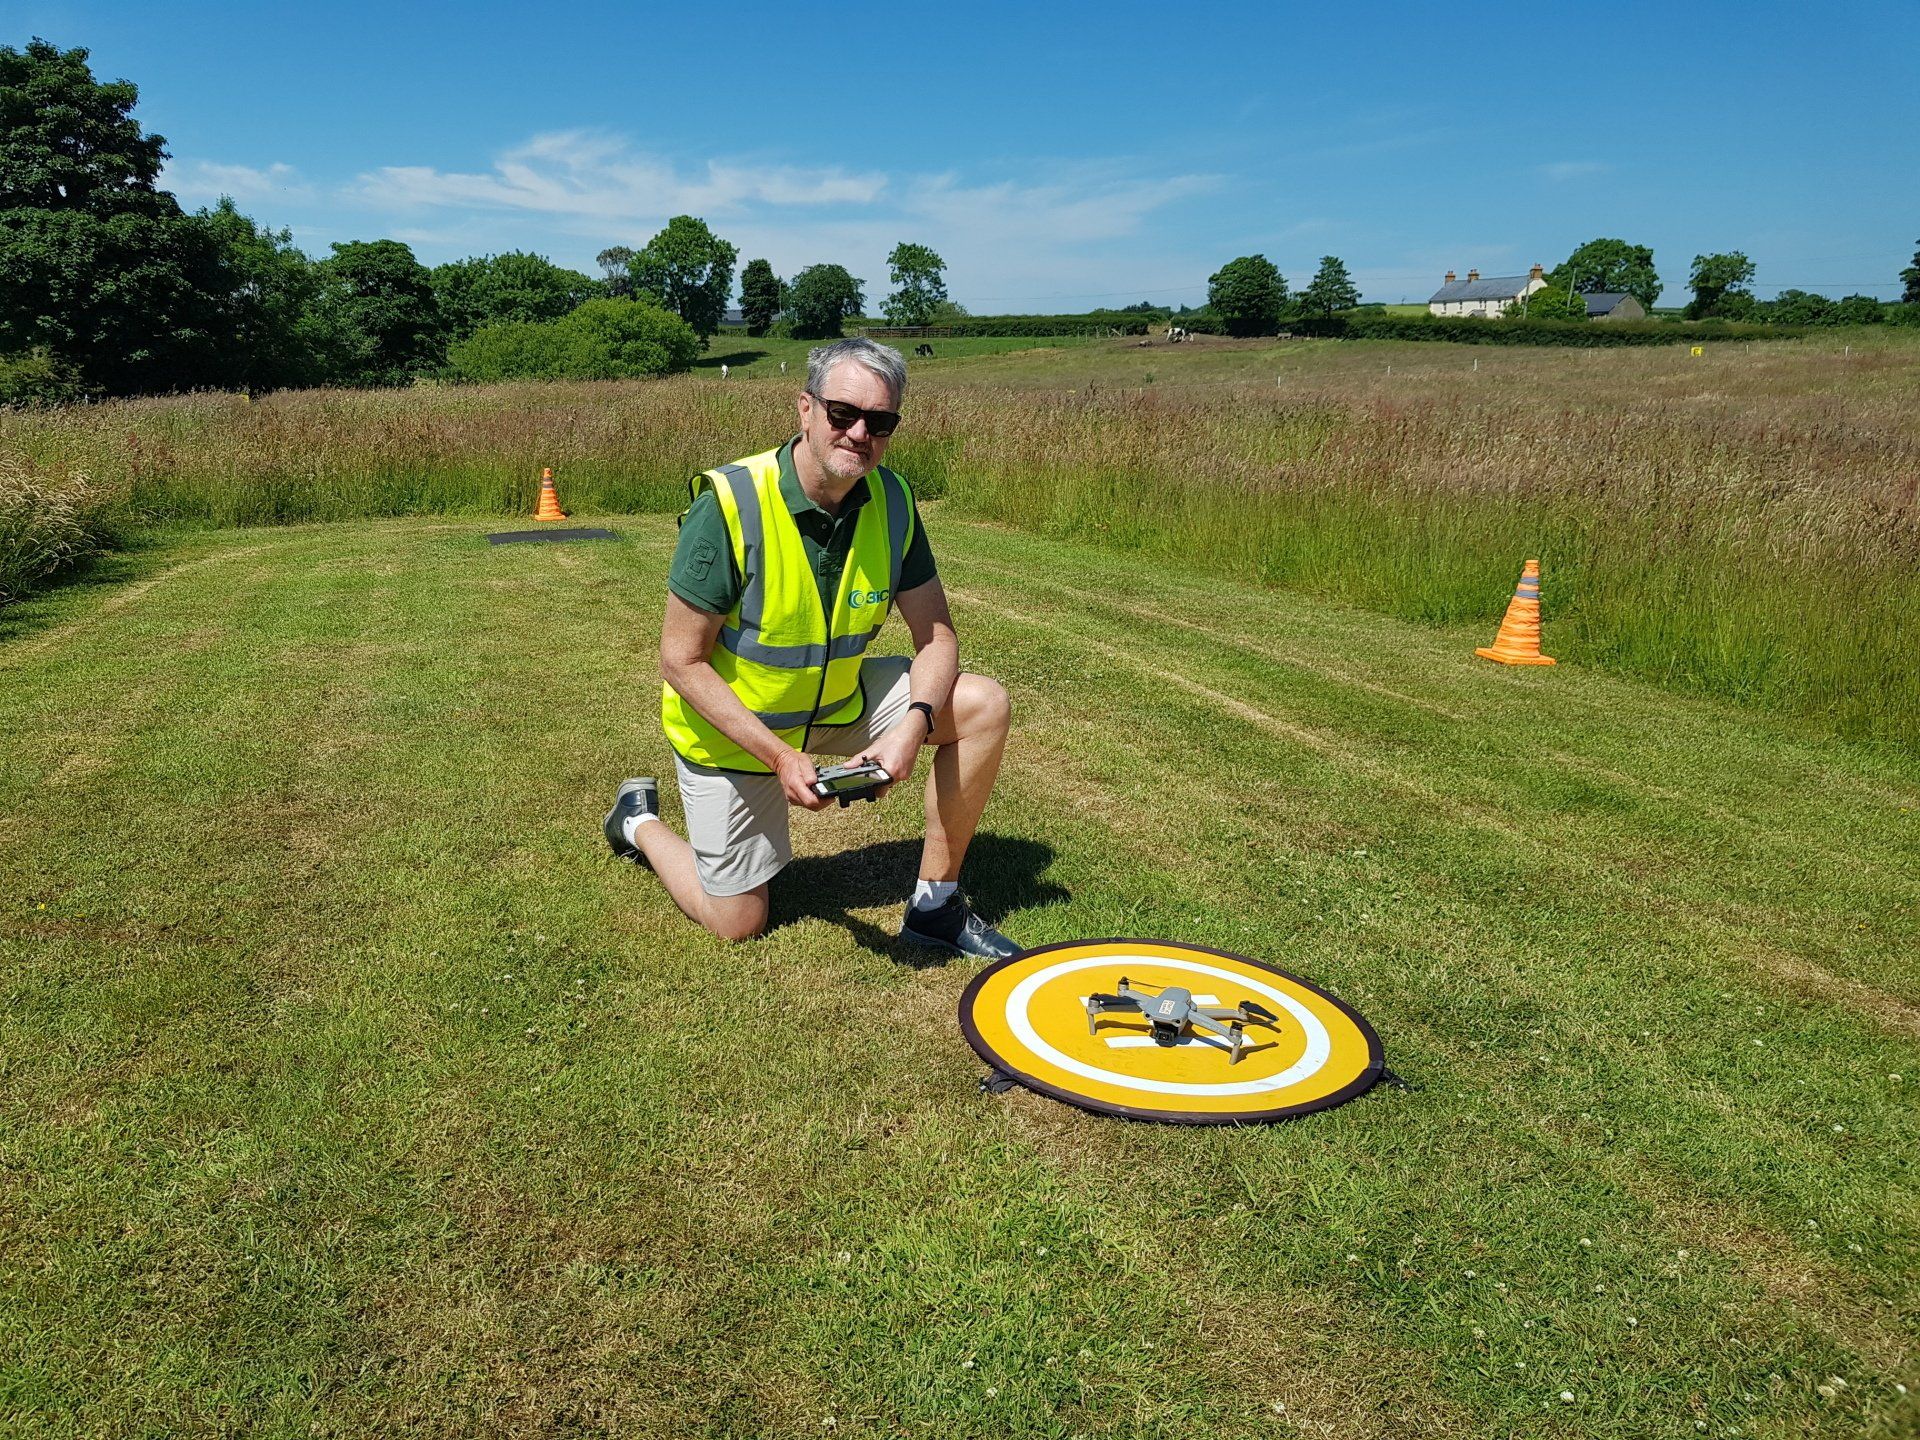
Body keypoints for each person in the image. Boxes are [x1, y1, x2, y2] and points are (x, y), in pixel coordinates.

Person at [603, 337, 1019, 958]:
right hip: (736, 734)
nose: (859, 434)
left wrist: (912, 725)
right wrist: (777, 757)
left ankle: (936, 904)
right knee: (738, 920)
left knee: (983, 702)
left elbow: (936, 636)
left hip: (837, 704)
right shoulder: (730, 504)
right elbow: (680, 660)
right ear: (805, 409)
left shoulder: (895, 500)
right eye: (842, 413)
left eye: (880, 421)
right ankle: (637, 821)